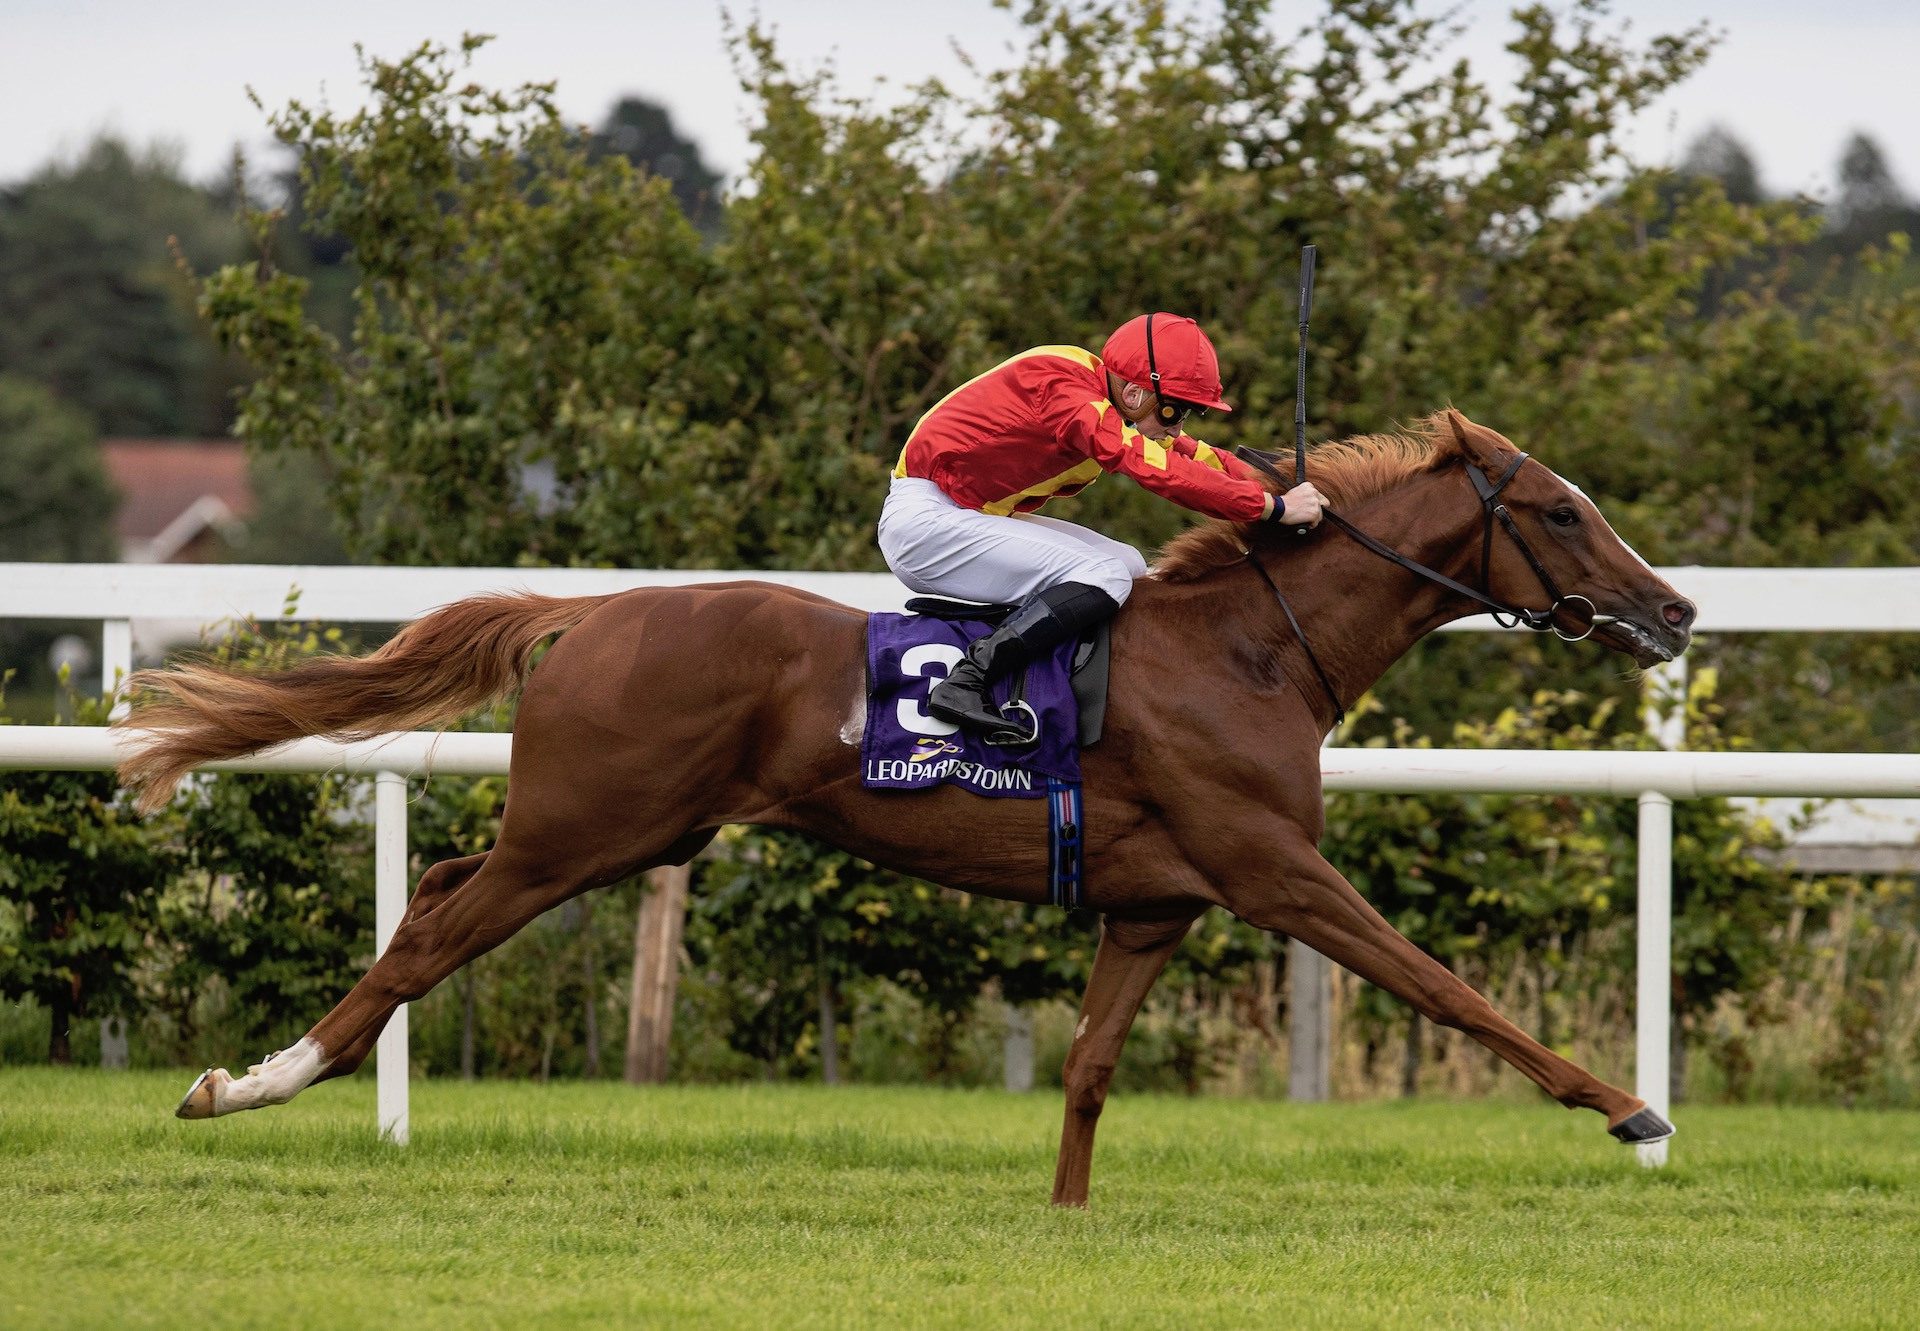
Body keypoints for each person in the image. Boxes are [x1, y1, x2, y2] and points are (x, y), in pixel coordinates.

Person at [878, 311, 1326, 737]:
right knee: (1103, 574)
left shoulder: (1101, 397)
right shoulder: (1064, 389)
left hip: (959, 517)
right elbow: (1152, 467)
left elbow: (1192, 456)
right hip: (926, 525)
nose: (1176, 427)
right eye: (1174, 411)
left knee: (1128, 565)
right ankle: (966, 682)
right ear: (1134, 394)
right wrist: (1272, 508)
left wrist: (1281, 483)